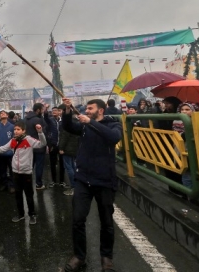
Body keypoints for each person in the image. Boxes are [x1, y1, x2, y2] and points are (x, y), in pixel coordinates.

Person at [61, 98, 122, 272]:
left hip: (104, 181)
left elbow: (113, 138)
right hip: (83, 181)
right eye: (86, 108)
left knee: (107, 222)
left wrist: (90, 123)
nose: (86, 111)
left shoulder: (113, 125)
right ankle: (79, 256)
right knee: (78, 219)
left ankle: (106, 258)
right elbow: (69, 127)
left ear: (101, 110)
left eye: (90, 108)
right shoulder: (85, 127)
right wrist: (67, 111)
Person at [0, 120, 46, 224]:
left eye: (18, 129)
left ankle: (32, 214)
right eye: (15, 129)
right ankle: (21, 214)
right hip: (15, 172)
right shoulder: (13, 141)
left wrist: (40, 132)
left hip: (26, 172)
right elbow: (3, 149)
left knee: (29, 195)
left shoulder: (29, 140)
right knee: (18, 195)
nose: (16, 131)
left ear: (24, 130)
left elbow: (42, 144)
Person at [58, 106, 81, 196]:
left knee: (69, 168)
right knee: (73, 167)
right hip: (75, 148)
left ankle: (74, 186)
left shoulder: (67, 122)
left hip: (67, 148)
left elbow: (64, 137)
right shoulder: (76, 120)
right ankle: (76, 185)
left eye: (60, 110)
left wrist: (61, 148)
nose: (59, 112)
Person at [25, 103, 48, 189]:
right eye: (42, 109)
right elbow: (44, 131)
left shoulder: (25, 119)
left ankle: (28, 182)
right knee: (39, 166)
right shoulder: (38, 120)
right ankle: (39, 183)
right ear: (38, 110)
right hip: (39, 146)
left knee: (29, 166)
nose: (42, 111)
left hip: (28, 146)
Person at [0, 110, 15, 193]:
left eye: (4, 113)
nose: (2, 114)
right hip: (1, 152)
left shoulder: (12, 126)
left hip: (10, 152)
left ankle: (12, 185)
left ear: (7, 115)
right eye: (0, 113)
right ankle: (4, 184)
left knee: (12, 170)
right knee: (2, 170)